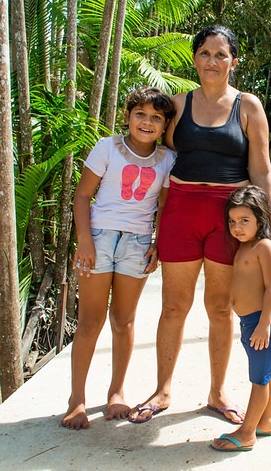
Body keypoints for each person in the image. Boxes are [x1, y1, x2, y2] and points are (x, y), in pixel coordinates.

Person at [128, 25, 271, 424]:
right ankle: (163, 390)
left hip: (229, 218)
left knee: (220, 307)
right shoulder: (178, 105)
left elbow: (261, 169)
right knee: (173, 306)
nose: (212, 61)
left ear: (234, 61)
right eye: (204, 53)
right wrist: (148, 225)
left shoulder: (248, 107)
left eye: (220, 54)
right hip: (182, 212)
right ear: (195, 58)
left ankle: (217, 392)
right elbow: (156, 160)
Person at [61, 87, 177, 430]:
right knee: (89, 321)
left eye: (156, 118)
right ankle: (76, 399)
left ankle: (117, 392)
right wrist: (84, 241)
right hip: (98, 240)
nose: (147, 122)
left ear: (164, 125)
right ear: (127, 117)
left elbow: (163, 207)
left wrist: (158, 241)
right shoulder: (107, 148)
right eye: (140, 114)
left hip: (137, 244)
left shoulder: (168, 160)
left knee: (124, 320)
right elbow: (83, 197)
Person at [210, 185, 271, 452]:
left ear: (260, 220)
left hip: (262, 323)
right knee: (268, 371)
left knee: (259, 379)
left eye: (244, 221)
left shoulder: (263, 246)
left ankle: (247, 431)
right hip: (250, 322)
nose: (237, 227)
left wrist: (264, 324)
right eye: (232, 221)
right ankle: (267, 421)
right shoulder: (242, 247)